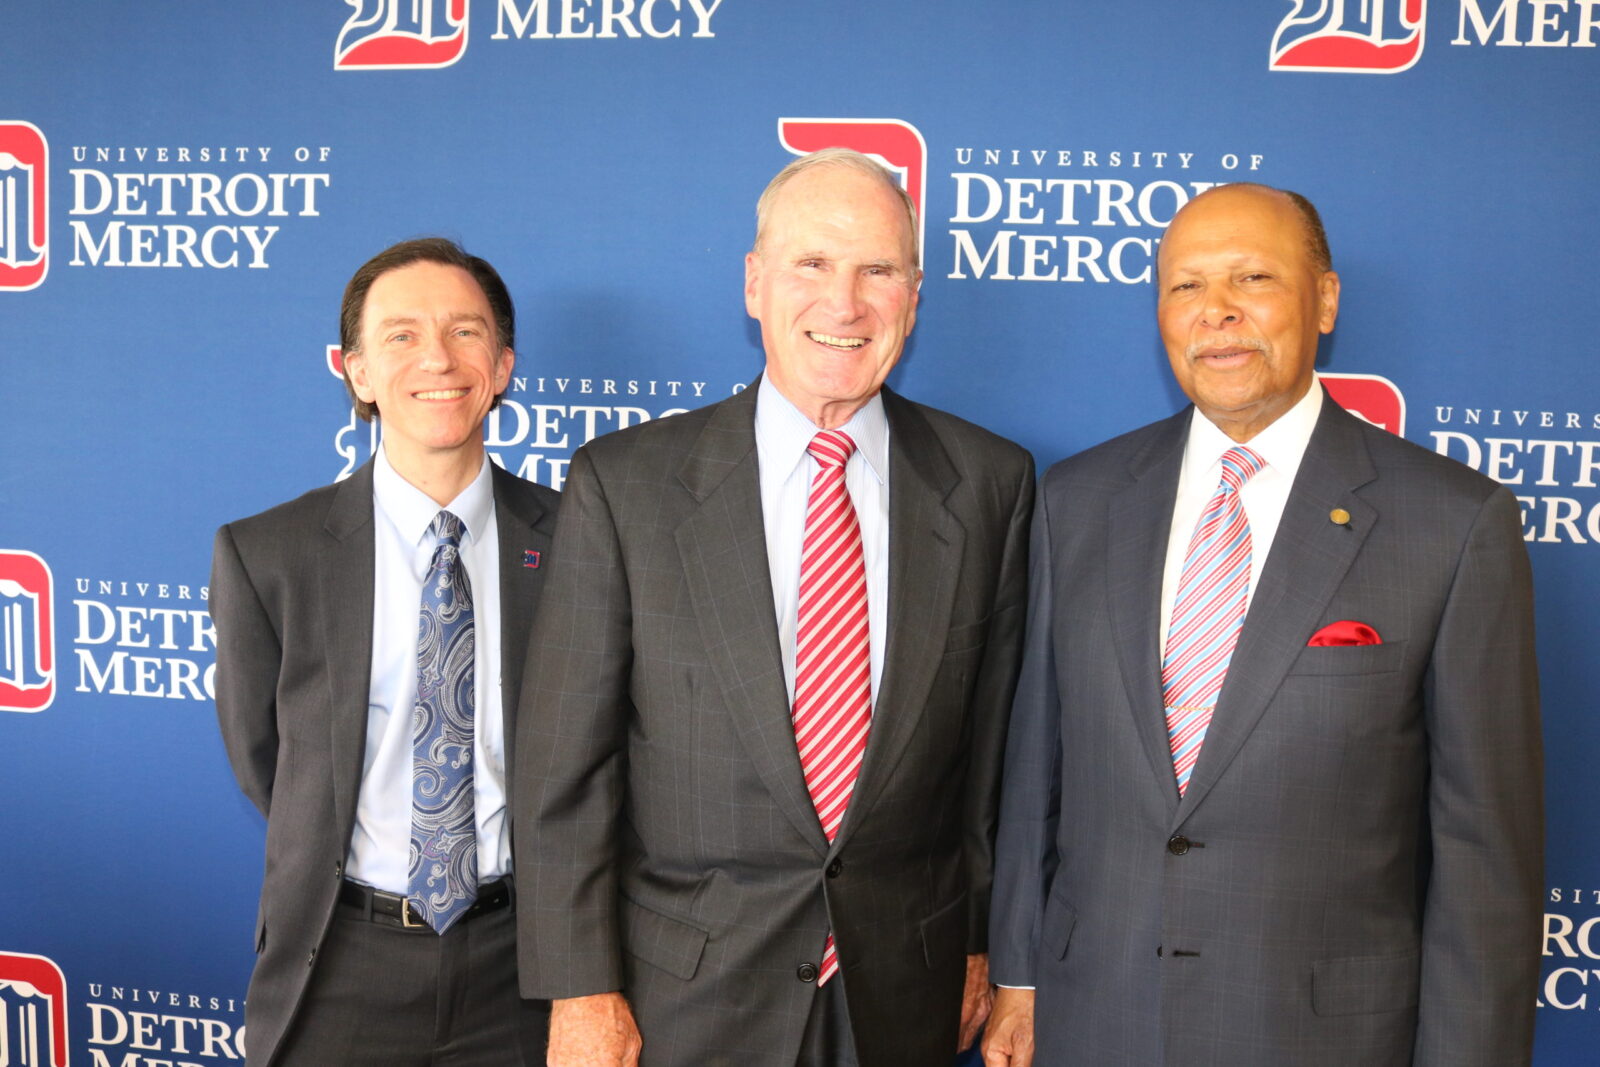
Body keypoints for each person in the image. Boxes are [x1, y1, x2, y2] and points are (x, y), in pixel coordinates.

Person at [982, 183, 1543, 1067]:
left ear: (1324, 300)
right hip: (1099, 1022)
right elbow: (1034, 770)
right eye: (1185, 286)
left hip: (1319, 1036)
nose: (1218, 313)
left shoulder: (1453, 524)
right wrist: (1019, 977)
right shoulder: (1076, 501)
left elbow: (1484, 857)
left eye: (1252, 277)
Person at [514, 149, 1034, 1066]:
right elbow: (566, 770)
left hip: (905, 992)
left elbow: (990, 758)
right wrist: (580, 989)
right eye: (812, 265)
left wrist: (979, 941)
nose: (846, 302)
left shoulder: (992, 483)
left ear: (914, 295)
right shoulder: (626, 485)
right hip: (684, 996)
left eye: (878, 269)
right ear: (754, 284)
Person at [211, 237, 558, 1066]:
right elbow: (269, 762)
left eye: (465, 332)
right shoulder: (268, 554)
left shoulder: (584, 537)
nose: (437, 356)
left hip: (528, 965)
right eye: (400, 334)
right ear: (357, 372)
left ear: (503, 365)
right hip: (338, 962)